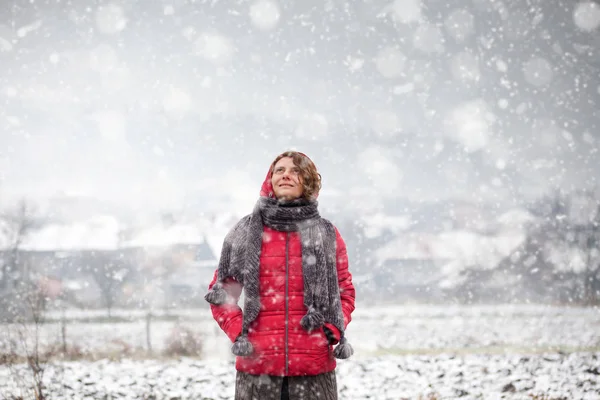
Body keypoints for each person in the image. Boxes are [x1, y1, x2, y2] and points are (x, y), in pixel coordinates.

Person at [205, 151, 356, 400]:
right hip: (257, 368)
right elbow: (221, 294)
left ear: (308, 182)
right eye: (280, 170)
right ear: (270, 179)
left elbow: (344, 291)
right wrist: (240, 332)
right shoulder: (246, 231)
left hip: (313, 369)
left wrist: (331, 330)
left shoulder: (326, 233)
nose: (286, 174)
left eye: (296, 170)